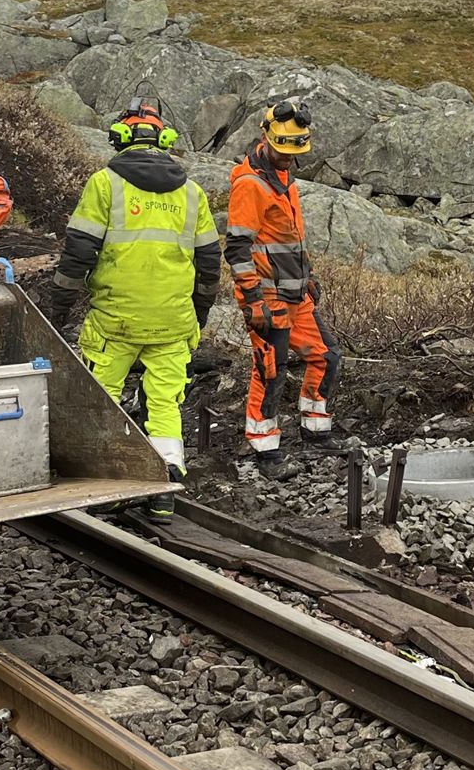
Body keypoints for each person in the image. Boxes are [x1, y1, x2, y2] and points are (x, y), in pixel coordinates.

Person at [45, 100, 220, 522]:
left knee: (101, 395)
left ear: (120, 138)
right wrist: (198, 313)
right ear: (165, 141)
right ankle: (166, 483)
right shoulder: (192, 192)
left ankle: (109, 480)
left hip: (116, 319)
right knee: (164, 401)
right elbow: (209, 262)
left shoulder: (105, 184)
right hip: (172, 321)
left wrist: (58, 306)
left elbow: (78, 253)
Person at [225, 100, 345, 476]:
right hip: (269, 298)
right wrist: (251, 300)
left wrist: (307, 275)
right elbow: (238, 248)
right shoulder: (250, 186)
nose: (289, 157)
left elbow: (289, 240)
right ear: (267, 138)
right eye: (283, 149)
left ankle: (316, 430)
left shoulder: (285, 180)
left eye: (295, 151)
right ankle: (265, 450)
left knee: (326, 356)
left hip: (296, 294)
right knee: (270, 370)